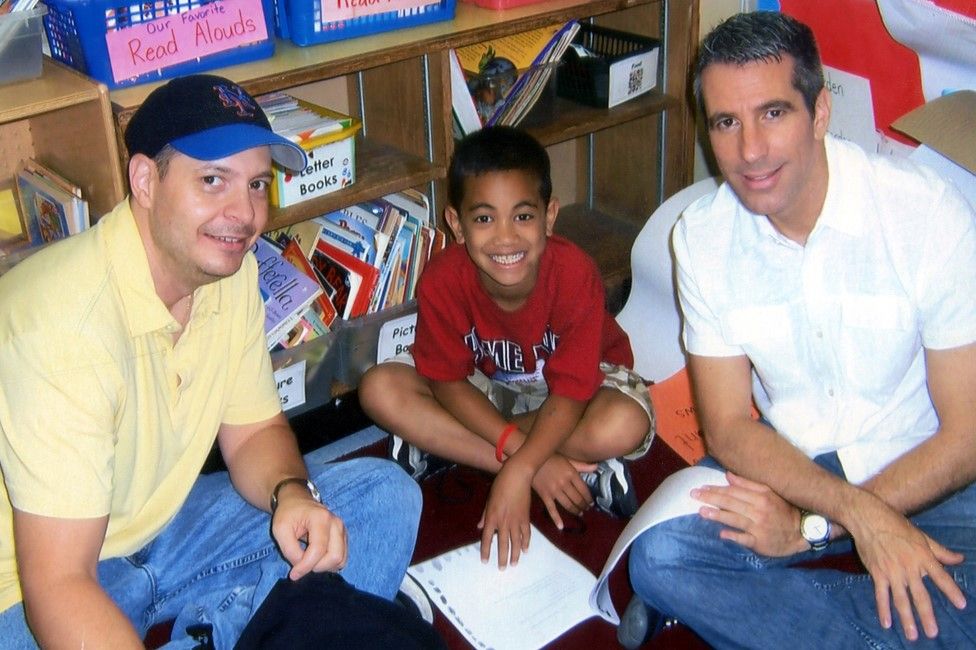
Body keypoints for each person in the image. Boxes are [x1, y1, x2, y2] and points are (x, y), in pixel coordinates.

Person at [0, 74, 422, 649]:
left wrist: (289, 492)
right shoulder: (61, 323)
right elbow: (58, 585)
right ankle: (235, 624)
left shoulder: (229, 268)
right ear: (145, 180)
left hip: (161, 530)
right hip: (28, 588)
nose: (243, 214)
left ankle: (220, 627)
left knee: (383, 497)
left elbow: (253, 434)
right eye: (212, 180)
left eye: (255, 185)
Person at [619, 11, 976, 649]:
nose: (749, 151)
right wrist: (847, 515)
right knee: (661, 556)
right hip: (796, 463)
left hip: (930, 469)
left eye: (773, 114)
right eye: (726, 122)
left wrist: (818, 529)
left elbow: (968, 436)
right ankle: (876, 620)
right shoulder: (700, 241)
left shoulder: (926, 214)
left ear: (819, 112)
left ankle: (780, 617)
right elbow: (728, 426)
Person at [359, 126, 654, 569]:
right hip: (489, 389)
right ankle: (557, 465)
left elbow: (573, 392)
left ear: (549, 217)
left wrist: (519, 466)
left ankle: (448, 444)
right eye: (484, 219)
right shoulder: (442, 279)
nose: (505, 238)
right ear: (456, 225)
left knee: (624, 423)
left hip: (579, 395)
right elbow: (447, 381)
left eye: (522, 216)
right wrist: (524, 459)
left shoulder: (575, 274)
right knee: (379, 388)